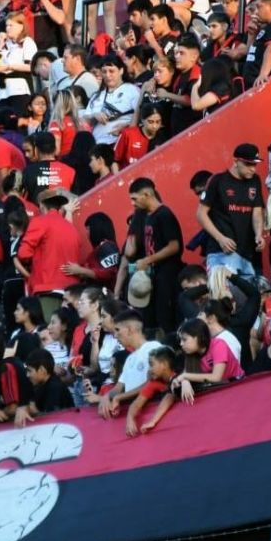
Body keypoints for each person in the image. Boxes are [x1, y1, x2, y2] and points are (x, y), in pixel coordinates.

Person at [198, 144, 265, 277]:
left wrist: (259, 234)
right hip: (221, 252)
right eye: (248, 164)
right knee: (223, 296)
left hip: (248, 253)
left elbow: (257, 211)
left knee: (251, 296)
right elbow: (200, 213)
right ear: (235, 161)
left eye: (255, 164)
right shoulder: (218, 181)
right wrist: (220, 238)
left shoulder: (255, 180)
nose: (252, 169)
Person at [129, 177, 183, 332]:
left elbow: (174, 246)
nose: (133, 203)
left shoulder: (164, 214)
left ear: (146, 194)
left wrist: (148, 260)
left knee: (166, 320)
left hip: (168, 275)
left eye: (134, 198)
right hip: (156, 275)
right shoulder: (148, 216)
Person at [17, 188, 81, 318]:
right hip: (71, 291)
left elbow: (23, 254)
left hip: (47, 288)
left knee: (48, 332)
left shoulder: (40, 221)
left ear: (41, 205)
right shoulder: (71, 228)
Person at [98, 310, 164, 418]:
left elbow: (151, 384)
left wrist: (120, 397)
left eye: (117, 330)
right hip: (135, 414)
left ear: (130, 330)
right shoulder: (130, 359)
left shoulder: (154, 347)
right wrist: (107, 396)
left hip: (151, 411)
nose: (115, 336)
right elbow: (118, 388)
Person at [79, 55, 141, 146]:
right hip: (96, 145)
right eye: (104, 72)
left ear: (121, 71)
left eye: (111, 71)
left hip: (118, 143)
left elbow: (142, 117)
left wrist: (127, 126)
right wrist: (94, 116)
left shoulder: (132, 91)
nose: (108, 75)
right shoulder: (96, 96)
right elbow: (84, 121)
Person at [125, 346, 178, 437]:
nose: (149, 369)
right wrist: (130, 418)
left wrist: (152, 421)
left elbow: (170, 396)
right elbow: (136, 404)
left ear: (164, 365)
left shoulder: (180, 377)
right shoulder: (154, 383)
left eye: (151, 364)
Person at [15, 348, 75, 427]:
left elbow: (53, 419)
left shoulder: (55, 388)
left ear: (42, 370)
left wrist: (35, 412)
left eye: (29, 371)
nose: (27, 375)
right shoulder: (39, 385)